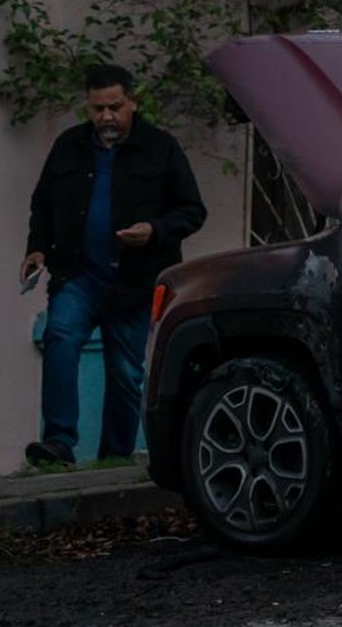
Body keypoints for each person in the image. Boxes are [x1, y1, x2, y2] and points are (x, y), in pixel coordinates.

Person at [22, 64, 206, 466]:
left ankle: (115, 456)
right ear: (87, 108)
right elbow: (42, 202)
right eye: (97, 109)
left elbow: (192, 211)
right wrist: (36, 250)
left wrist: (154, 230)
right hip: (78, 276)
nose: (106, 116)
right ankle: (58, 442)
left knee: (125, 374)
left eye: (115, 107)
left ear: (133, 102)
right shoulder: (69, 146)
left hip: (136, 282)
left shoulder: (161, 147)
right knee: (60, 338)